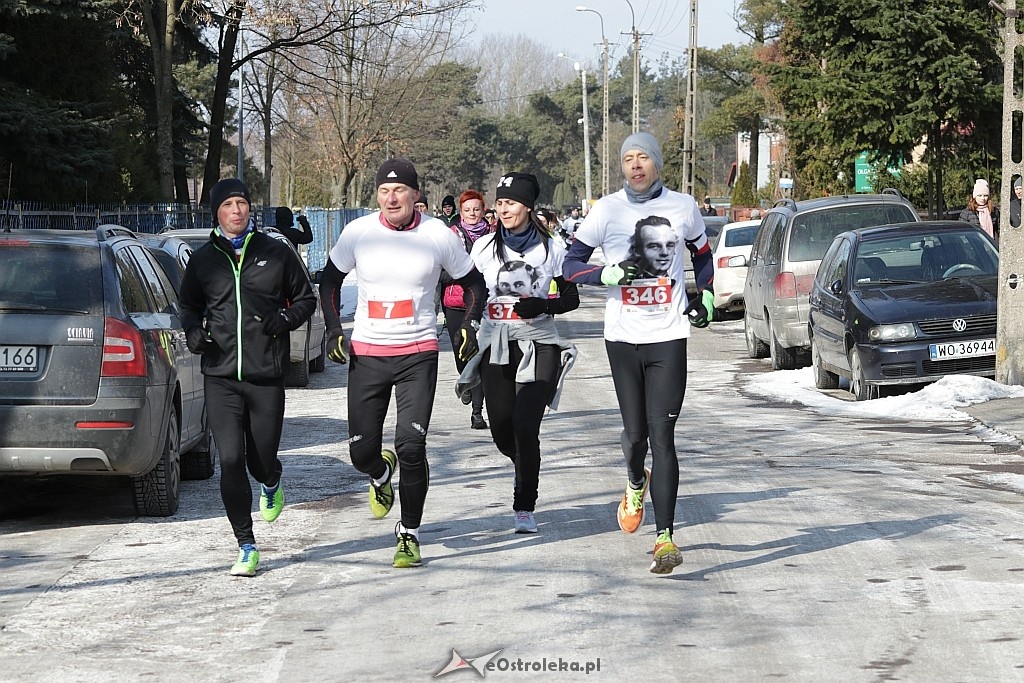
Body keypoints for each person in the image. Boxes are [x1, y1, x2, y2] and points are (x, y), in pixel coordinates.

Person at [318, 159, 486, 568]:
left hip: (417, 354)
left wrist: (468, 324)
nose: (391, 198)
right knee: (361, 453)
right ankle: (379, 474)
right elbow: (329, 281)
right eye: (383, 191)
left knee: (412, 447)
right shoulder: (359, 233)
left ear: (415, 196)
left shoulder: (438, 235)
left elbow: (473, 283)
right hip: (369, 355)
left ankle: (408, 533)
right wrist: (333, 330)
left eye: (399, 191)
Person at [562, 132, 714, 575]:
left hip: (669, 334)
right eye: (628, 158)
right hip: (623, 337)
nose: (635, 165)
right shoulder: (606, 210)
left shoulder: (683, 207)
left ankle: (665, 537)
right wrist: (605, 273)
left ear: (657, 163)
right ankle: (634, 480)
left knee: (662, 436)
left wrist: (703, 294)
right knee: (635, 437)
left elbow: (703, 256)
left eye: (643, 156)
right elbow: (570, 266)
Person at [179, 178, 317, 577]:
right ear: (217, 213)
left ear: (250, 210)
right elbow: (188, 306)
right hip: (220, 374)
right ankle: (245, 544)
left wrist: (284, 319)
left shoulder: (275, 254)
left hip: (265, 374)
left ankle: (271, 481)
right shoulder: (204, 259)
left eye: (242, 203)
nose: (236, 210)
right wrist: (192, 332)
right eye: (228, 205)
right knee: (229, 459)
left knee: (260, 461)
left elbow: (306, 298)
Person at [455, 172, 579, 534]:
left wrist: (544, 304)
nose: (503, 209)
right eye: (500, 202)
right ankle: (522, 463)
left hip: (541, 341)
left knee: (527, 426)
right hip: (497, 344)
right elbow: (471, 290)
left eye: (510, 202)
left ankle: (525, 504)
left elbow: (571, 296)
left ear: (527, 206)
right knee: (502, 430)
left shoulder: (552, 248)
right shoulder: (484, 248)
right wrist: (469, 320)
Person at [441, 190, 491, 430]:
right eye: (467, 210)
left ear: (484, 210)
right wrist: (462, 273)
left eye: (476, 209)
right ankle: (466, 380)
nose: (472, 214)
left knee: (478, 355)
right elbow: (438, 269)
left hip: (484, 303)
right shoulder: (451, 236)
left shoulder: (494, 236)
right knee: (461, 355)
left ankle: (477, 413)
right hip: (455, 303)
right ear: (461, 212)